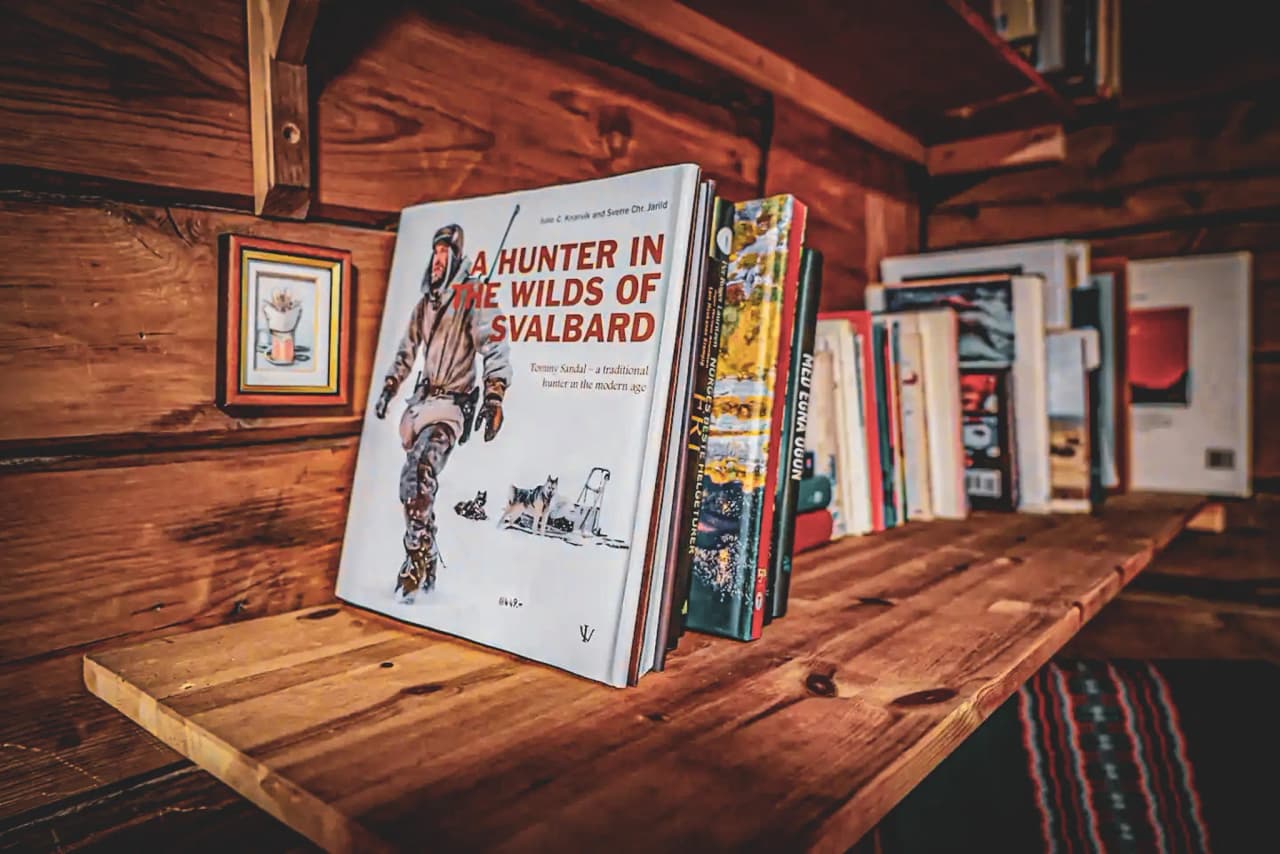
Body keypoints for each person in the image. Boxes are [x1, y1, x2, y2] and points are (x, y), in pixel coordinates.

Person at [374, 224, 512, 602]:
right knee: (416, 487)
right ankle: (428, 554)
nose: (437, 261)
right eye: (434, 253)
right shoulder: (426, 304)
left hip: (451, 408)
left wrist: (495, 395)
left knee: (419, 473)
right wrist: (390, 386)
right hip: (421, 405)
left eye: (443, 254)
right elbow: (406, 349)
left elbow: (495, 343)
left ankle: (415, 560)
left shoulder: (474, 294)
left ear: (455, 257)